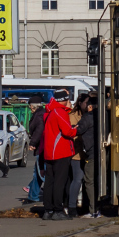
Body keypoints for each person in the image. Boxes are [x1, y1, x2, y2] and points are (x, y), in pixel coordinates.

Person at [41, 89, 77, 220]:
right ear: (65, 100)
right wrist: (76, 129)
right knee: (59, 182)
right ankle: (58, 210)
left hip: (49, 152)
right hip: (60, 152)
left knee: (49, 182)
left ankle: (48, 210)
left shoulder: (49, 112)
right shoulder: (60, 112)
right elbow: (68, 131)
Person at [77, 94, 99, 217]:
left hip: (91, 153)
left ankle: (93, 210)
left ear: (90, 106)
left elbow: (78, 130)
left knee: (89, 181)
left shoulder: (87, 117)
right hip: (103, 153)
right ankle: (98, 206)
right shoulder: (104, 116)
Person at [67, 94, 87, 216]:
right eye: (86, 102)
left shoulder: (89, 114)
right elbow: (72, 133)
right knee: (77, 179)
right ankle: (71, 206)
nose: (88, 105)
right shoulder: (73, 116)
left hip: (86, 153)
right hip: (76, 153)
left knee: (85, 180)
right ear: (80, 103)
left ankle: (83, 204)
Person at [24, 103, 46, 203]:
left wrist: (33, 143)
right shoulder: (40, 114)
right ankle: (32, 195)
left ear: (35, 107)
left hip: (41, 148)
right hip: (41, 148)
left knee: (39, 173)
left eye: (31, 108)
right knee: (38, 173)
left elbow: (38, 131)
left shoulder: (38, 116)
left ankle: (33, 196)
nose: (30, 110)